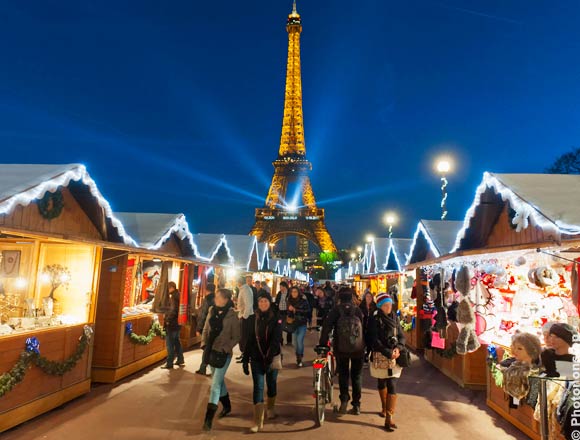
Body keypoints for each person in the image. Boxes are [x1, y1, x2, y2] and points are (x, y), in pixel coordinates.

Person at [319, 287, 365, 415]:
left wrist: (323, 344)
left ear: (339, 298)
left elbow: (326, 328)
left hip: (341, 348)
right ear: (352, 298)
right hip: (358, 349)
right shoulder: (358, 311)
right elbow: (364, 330)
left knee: (343, 374)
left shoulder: (335, 311)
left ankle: (344, 401)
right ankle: (356, 405)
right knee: (357, 376)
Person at [242, 292, 282, 433]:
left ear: (269, 302)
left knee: (271, 384)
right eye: (260, 301)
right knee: (258, 387)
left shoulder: (276, 318)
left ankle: (271, 407)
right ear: (257, 303)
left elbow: (276, 340)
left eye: (265, 301)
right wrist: (245, 359)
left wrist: (269, 357)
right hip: (257, 358)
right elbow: (249, 340)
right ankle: (258, 421)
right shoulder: (254, 318)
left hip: (271, 358)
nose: (263, 303)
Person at [201, 288, 240, 431]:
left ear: (226, 299)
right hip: (210, 350)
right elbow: (206, 329)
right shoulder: (212, 310)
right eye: (216, 297)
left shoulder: (232, 315)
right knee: (219, 380)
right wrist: (204, 343)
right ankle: (227, 406)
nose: (216, 299)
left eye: (219, 297)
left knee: (215, 384)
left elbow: (236, 336)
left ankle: (208, 420)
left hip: (224, 354)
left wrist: (226, 347)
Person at [369, 292, 406, 431]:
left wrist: (398, 348)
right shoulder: (375, 319)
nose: (388, 307)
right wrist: (387, 352)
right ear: (379, 306)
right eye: (385, 305)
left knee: (392, 384)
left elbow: (402, 336)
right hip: (381, 356)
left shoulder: (394, 317)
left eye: (390, 304)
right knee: (382, 382)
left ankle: (389, 418)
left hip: (395, 357)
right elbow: (373, 339)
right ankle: (384, 408)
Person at [161, 281, 185, 369]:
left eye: (168, 288)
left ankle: (169, 363)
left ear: (171, 288)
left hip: (172, 323)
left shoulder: (174, 297)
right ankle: (180, 359)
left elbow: (173, 310)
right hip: (178, 323)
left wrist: (167, 320)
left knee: (170, 343)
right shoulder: (179, 295)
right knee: (176, 341)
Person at [196, 283, 216, 376]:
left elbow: (203, 314)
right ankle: (207, 368)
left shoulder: (207, 299)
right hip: (214, 327)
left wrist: (199, 328)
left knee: (207, 348)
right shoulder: (216, 299)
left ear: (206, 290)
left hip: (207, 327)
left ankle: (204, 368)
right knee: (209, 348)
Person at [287, 286, 310, 367]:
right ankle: (298, 355)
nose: (294, 293)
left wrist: (295, 310)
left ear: (298, 292)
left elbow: (307, 311)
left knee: (299, 341)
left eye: (295, 292)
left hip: (302, 323)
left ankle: (300, 357)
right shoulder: (289, 301)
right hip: (293, 324)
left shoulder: (303, 301)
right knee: (295, 342)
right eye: (292, 292)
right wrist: (289, 311)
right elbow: (288, 313)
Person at [237, 276, 255, 362]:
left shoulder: (245, 290)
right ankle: (244, 354)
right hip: (244, 316)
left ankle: (246, 356)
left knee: (244, 337)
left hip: (246, 317)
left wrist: (244, 316)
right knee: (243, 337)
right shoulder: (244, 289)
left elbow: (248, 305)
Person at [360, 291, 377, 363]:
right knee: (363, 342)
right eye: (367, 297)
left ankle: (368, 355)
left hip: (372, 327)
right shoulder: (361, 305)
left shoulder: (375, 306)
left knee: (370, 342)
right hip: (363, 327)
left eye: (370, 297)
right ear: (365, 297)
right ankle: (364, 356)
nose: (368, 298)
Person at [275, 281, 292, 346]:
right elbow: (277, 301)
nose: (280, 288)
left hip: (287, 313)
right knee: (279, 326)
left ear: (284, 287)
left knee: (288, 326)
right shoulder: (279, 293)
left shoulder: (289, 293)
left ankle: (289, 341)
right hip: (280, 313)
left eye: (281, 287)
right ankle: (280, 340)